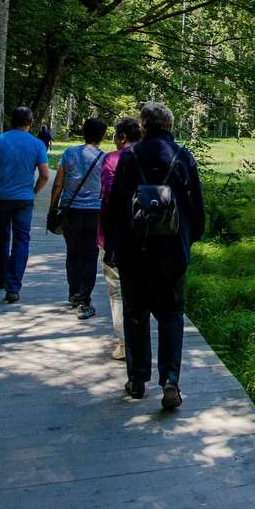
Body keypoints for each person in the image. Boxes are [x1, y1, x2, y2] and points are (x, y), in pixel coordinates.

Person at [102, 101, 204, 410]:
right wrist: (189, 240)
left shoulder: (130, 157)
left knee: (135, 314)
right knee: (171, 315)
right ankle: (170, 380)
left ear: (143, 125)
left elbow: (117, 205)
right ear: (170, 126)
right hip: (172, 254)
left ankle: (137, 380)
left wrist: (112, 247)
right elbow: (196, 209)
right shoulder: (183, 157)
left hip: (135, 252)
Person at [0, 106, 50, 305]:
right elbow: (45, 175)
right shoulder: (37, 144)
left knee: (1, 238)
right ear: (31, 122)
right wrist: (33, 192)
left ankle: (1, 277)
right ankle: (13, 286)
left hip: (0, 198)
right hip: (24, 200)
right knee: (21, 241)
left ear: (11, 120)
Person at [49, 117, 106, 319]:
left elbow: (58, 184)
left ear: (83, 132)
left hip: (70, 210)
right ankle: (84, 298)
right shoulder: (104, 158)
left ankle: (74, 293)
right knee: (90, 255)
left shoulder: (69, 153)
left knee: (73, 253)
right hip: (95, 212)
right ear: (103, 136)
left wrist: (52, 207)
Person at [98, 118, 140, 361]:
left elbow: (108, 195)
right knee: (140, 289)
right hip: (147, 235)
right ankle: (139, 340)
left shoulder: (113, 159)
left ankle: (125, 344)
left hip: (114, 234)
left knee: (117, 290)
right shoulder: (149, 157)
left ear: (122, 137)